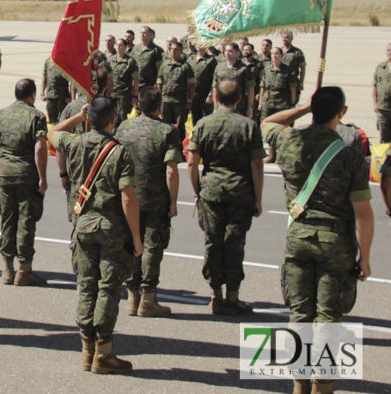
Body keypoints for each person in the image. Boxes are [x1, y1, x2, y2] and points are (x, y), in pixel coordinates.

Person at [263, 88, 374, 394]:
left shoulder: (287, 141)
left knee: (299, 314)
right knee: (328, 317)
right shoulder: (349, 155)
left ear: (312, 109)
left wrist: (300, 109)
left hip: (297, 239)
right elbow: (363, 213)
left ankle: (299, 385)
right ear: (343, 112)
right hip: (335, 245)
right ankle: (322, 386)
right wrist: (364, 257)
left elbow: (267, 122)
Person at [50, 97, 142, 374]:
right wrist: (136, 238)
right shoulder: (119, 152)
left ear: (89, 118)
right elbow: (128, 199)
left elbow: (53, 132)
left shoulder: (74, 143)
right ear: (113, 120)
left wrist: (79, 117)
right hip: (111, 229)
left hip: (82, 226)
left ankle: (86, 350)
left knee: (86, 286)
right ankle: (104, 352)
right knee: (108, 289)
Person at [187, 79, 265, 314]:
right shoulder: (249, 126)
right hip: (240, 193)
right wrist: (258, 198)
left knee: (213, 243)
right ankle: (232, 296)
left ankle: (215, 295)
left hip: (211, 192)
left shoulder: (202, 124)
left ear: (216, 98)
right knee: (234, 244)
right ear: (240, 99)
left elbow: (192, 163)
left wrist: (197, 191)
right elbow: (257, 165)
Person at [115, 86, 182, 318]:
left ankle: (132, 298)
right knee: (152, 247)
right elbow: (171, 170)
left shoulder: (124, 127)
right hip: (155, 200)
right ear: (160, 106)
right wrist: (174, 202)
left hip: (128, 197)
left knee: (133, 244)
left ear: (139, 105)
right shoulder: (167, 131)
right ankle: (148, 299)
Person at [0, 78, 48, 286]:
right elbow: (40, 149)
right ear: (32, 96)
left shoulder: (0, 114)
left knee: (7, 219)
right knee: (26, 220)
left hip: (5, 173)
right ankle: (24, 270)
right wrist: (42, 177)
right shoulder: (37, 116)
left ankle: (7, 268)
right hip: (26, 174)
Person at [156, 40, 195, 142]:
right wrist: (159, 99)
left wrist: (189, 100)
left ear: (181, 51)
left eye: (176, 50)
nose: (173, 51)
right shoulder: (164, 65)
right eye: (171, 49)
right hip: (166, 100)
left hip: (180, 102)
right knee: (165, 125)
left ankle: (180, 146)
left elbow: (191, 85)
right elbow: (159, 82)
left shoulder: (185, 66)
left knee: (180, 126)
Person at [213, 43, 255, 118]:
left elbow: (250, 89)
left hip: (238, 107)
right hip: (222, 106)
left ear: (237, 53)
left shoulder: (244, 69)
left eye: (230, 51)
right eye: (226, 51)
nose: (227, 53)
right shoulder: (219, 67)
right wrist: (215, 107)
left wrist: (249, 108)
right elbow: (215, 87)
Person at [260, 47, 297, 124]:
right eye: (272, 53)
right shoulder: (267, 69)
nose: (274, 55)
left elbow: (292, 89)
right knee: (265, 124)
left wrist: (292, 104)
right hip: (267, 103)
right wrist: (260, 103)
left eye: (277, 53)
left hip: (281, 104)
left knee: (281, 125)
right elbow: (263, 87)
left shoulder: (288, 71)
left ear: (282, 56)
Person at [109, 39, 140, 124]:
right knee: (111, 116)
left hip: (124, 95)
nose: (118, 47)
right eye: (117, 45)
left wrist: (135, 95)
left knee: (122, 117)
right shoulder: (110, 60)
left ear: (125, 47)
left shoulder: (130, 61)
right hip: (112, 94)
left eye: (121, 45)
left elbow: (136, 79)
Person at [189, 42, 217, 125]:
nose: (199, 45)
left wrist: (211, 94)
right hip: (193, 95)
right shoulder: (191, 58)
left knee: (206, 118)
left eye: (201, 44)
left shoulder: (211, 60)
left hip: (205, 95)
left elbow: (214, 79)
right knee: (194, 118)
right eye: (198, 43)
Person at [41, 57, 70, 123]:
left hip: (62, 97)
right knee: (51, 121)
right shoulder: (48, 61)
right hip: (50, 96)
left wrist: (71, 97)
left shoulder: (66, 61)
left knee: (62, 120)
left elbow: (72, 81)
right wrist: (42, 94)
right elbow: (44, 79)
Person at [373, 42, 391, 143]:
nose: (390, 52)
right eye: (388, 50)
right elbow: (375, 86)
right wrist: (375, 104)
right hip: (383, 109)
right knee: (384, 139)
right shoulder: (381, 67)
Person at [280, 31, 307, 99]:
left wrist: (301, 83)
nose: (285, 39)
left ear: (292, 38)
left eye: (287, 37)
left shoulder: (297, 52)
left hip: (292, 83)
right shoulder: (278, 51)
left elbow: (302, 68)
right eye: (283, 37)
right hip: (280, 82)